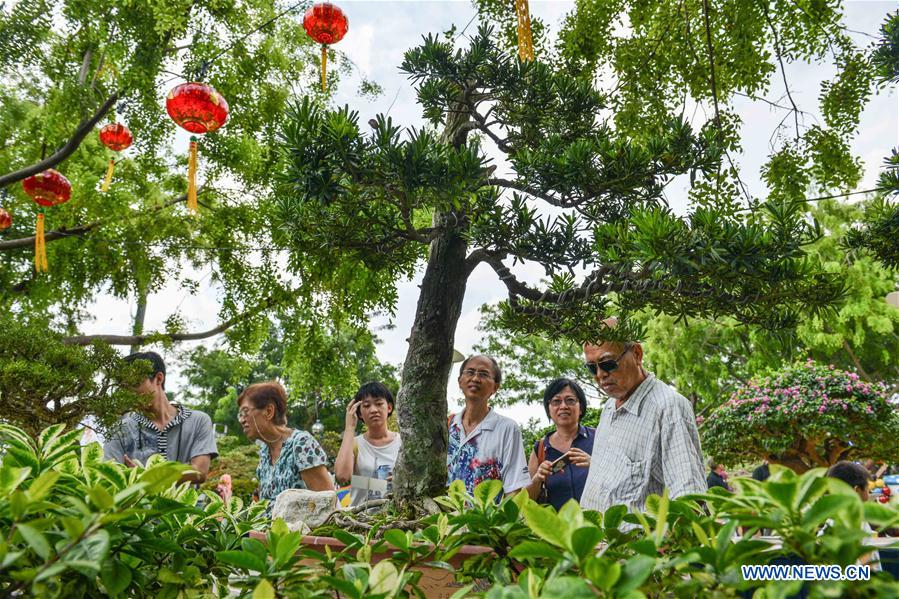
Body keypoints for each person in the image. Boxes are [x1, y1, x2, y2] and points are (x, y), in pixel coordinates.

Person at [580, 318, 706, 515]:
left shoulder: (668, 407)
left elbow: (689, 498)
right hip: (599, 542)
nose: (600, 374)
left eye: (608, 363)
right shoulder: (608, 408)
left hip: (639, 544)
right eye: (591, 367)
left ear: (637, 354)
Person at [104, 351, 217, 484]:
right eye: (124, 387)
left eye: (135, 384)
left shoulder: (198, 421)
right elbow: (110, 476)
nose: (129, 393)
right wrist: (181, 472)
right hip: (135, 505)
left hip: (181, 504)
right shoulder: (119, 429)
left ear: (158, 378)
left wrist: (146, 476)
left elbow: (199, 472)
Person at [237, 382, 332, 512]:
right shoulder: (264, 451)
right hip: (267, 531)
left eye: (245, 412)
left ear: (269, 411)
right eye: (240, 415)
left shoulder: (301, 444)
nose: (242, 420)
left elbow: (327, 503)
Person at [447, 355, 531, 496]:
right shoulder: (447, 426)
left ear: (495, 387)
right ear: (460, 381)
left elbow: (514, 488)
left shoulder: (507, 429)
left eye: (484, 374)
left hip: (486, 517)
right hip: (443, 517)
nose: (475, 378)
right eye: (470, 372)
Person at [526, 378, 595, 510]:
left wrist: (594, 464)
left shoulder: (598, 438)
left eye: (570, 400)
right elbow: (528, 501)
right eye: (556, 401)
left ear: (581, 407)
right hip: (557, 528)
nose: (563, 406)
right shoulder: (540, 449)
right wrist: (538, 478)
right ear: (549, 409)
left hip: (597, 526)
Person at [334, 381, 402, 506]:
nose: (373, 410)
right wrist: (349, 427)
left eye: (379, 403)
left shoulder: (403, 443)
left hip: (399, 519)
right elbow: (342, 476)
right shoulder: (354, 444)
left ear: (389, 407)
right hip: (361, 519)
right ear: (359, 412)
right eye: (366, 406)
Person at [825, 461, 881, 570]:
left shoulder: (832, 519)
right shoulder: (854, 521)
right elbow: (865, 563)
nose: (869, 491)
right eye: (867, 487)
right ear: (856, 490)